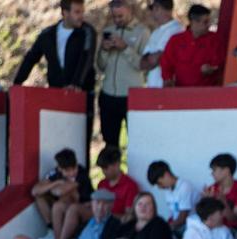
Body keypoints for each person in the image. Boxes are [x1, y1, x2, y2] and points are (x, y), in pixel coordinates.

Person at [12, 0, 99, 151]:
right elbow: (31, 58)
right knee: (57, 137)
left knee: (81, 139)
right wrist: (17, 83)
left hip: (81, 94)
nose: (81, 16)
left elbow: (87, 57)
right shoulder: (47, 34)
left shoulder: (87, 31)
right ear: (65, 13)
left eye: (82, 12)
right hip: (56, 93)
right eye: (77, 12)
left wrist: (76, 84)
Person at [95, 0, 148, 148]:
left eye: (121, 16)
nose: (117, 20)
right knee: (109, 142)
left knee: (137, 142)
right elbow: (101, 66)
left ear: (130, 11)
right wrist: (104, 50)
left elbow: (144, 65)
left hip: (131, 95)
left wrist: (125, 48)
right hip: (109, 94)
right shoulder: (109, 31)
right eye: (114, 16)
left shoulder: (142, 32)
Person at [32, 148, 94, 239]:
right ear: (60, 169)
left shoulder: (82, 173)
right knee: (40, 197)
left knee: (59, 205)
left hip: (82, 206)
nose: (72, 173)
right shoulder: (55, 173)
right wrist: (56, 183)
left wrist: (54, 188)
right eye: (67, 171)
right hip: (64, 205)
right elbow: (35, 191)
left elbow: (60, 192)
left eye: (73, 168)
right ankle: (52, 230)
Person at [159, 4, 223, 87]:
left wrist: (211, 69)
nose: (209, 25)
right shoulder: (176, 40)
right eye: (205, 22)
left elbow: (220, 64)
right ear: (194, 22)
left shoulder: (214, 40)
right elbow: (166, 63)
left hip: (206, 91)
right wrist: (167, 79)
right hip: (180, 90)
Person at [141, 0, 183, 88]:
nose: (152, 12)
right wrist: (153, 58)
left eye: (154, 8)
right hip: (152, 86)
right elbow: (143, 63)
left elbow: (157, 59)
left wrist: (155, 58)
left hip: (167, 86)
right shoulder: (155, 32)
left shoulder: (177, 30)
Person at [146, 160, 198, 230]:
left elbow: (182, 218)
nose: (160, 187)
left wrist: (165, 228)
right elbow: (173, 215)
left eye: (159, 183)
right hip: (178, 226)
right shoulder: (168, 190)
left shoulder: (185, 187)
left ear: (166, 175)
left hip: (190, 227)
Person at [204, 153, 237, 228]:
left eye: (214, 170)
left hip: (230, 229)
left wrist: (222, 202)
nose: (212, 174)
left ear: (226, 170)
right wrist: (206, 202)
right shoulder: (212, 189)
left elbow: (234, 219)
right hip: (211, 228)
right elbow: (204, 217)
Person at [93, 147, 141, 221]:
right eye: (102, 168)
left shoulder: (130, 186)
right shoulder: (101, 184)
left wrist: (108, 216)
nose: (103, 171)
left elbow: (129, 217)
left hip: (116, 224)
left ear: (116, 164)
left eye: (106, 167)